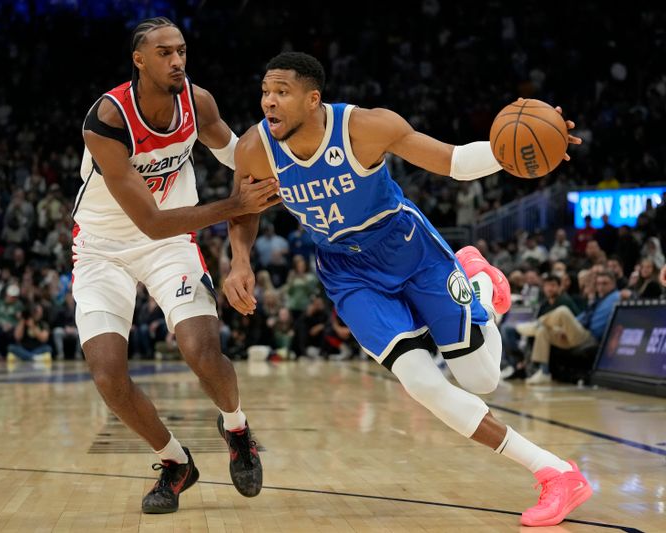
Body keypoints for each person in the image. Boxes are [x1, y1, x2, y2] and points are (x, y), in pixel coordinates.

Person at [224, 52, 591, 527]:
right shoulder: (255, 148)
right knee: (421, 383)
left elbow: (455, 162)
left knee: (483, 380)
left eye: (281, 93)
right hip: (346, 272)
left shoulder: (366, 127)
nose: (268, 102)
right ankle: (556, 472)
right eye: (265, 92)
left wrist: (531, 143)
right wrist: (239, 261)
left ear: (313, 100)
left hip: (410, 251)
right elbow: (243, 207)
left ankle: (478, 281)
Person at [73, 17, 279, 514]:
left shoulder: (198, 102)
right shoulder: (107, 119)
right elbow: (150, 221)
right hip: (104, 246)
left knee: (202, 350)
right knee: (106, 375)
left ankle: (236, 427)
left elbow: (242, 159)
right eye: (164, 53)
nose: (178, 61)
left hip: (172, 244)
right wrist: (236, 206)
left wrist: (243, 253)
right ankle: (174, 462)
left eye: (182, 51)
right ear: (139, 60)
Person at [521, 270, 620, 384]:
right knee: (544, 331)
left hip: (590, 338)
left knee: (563, 311)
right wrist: (566, 329)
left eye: (605, 283)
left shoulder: (616, 296)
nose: (601, 287)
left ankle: (537, 323)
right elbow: (583, 316)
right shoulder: (599, 299)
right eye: (599, 284)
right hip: (579, 333)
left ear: (613, 284)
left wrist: (629, 294)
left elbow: (630, 296)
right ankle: (544, 372)